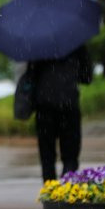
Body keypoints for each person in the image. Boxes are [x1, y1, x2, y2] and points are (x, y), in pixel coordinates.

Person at [31, 45, 93, 182]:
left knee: (47, 156)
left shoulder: (38, 44)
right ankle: (66, 193)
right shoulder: (76, 43)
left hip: (44, 106)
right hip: (69, 104)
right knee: (70, 156)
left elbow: (31, 76)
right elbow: (87, 77)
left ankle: (50, 195)